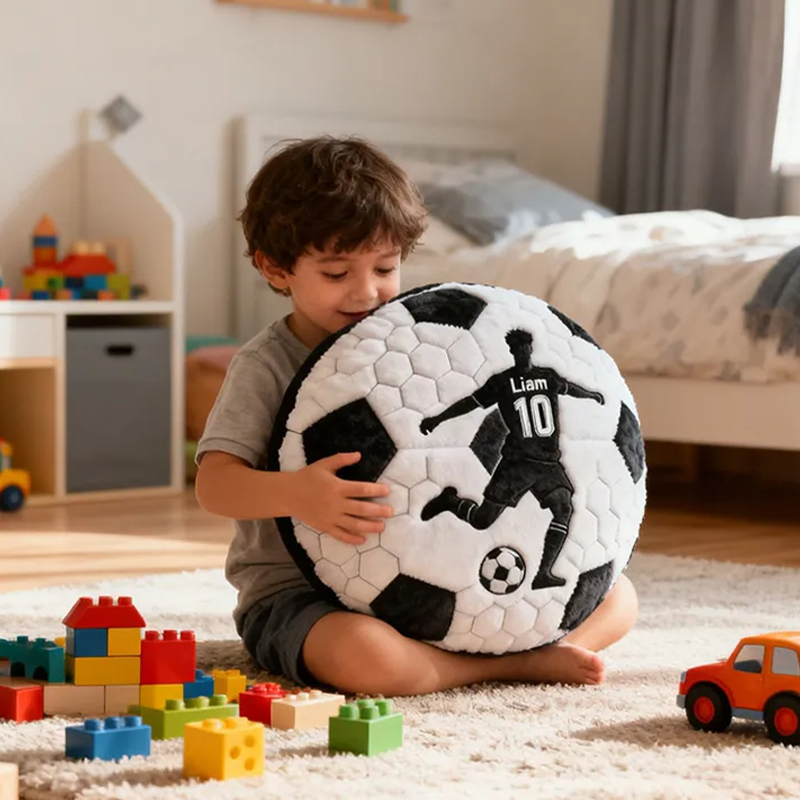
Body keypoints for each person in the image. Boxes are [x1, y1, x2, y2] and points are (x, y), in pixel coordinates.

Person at [195, 136, 638, 697]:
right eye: (336, 273)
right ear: (276, 268)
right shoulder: (265, 365)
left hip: (439, 576)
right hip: (305, 597)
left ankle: (503, 645)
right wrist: (296, 494)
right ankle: (499, 665)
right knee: (367, 657)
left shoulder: (422, 349)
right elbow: (215, 485)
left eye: (385, 267)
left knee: (620, 596)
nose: (367, 292)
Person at [420, 328, 604, 591]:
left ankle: (544, 573)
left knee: (564, 508)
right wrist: (438, 419)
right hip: (517, 464)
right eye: (517, 349)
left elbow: (569, 388)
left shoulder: (547, 376)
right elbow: (471, 403)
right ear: (512, 352)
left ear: (530, 349)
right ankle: (451, 501)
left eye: (525, 348)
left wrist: (591, 394)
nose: (522, 353)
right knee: (482, 520)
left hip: (548, 463)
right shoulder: (502, 382)